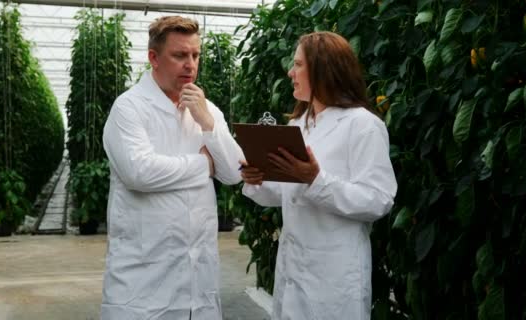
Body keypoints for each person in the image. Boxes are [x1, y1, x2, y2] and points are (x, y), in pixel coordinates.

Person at [240, 31, 398, 320]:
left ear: (324, 69)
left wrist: (316, 180)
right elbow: (287, 192)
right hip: (293, 269)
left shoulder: (363, 125)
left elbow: (379, 200)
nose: (290, 72)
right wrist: (258, 178)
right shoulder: (301, 124)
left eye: (298, 65)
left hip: (334, 275)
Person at [101, 16, 244, 320]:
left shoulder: (206, 109)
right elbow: (140, 172)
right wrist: (205, 164)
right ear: (153, 58)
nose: (190, 65)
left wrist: (207, 123)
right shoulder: (129, 108)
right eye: (179, 55)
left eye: (195, 55)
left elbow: (233, 173)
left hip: (198, 283)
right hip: (142, 285)